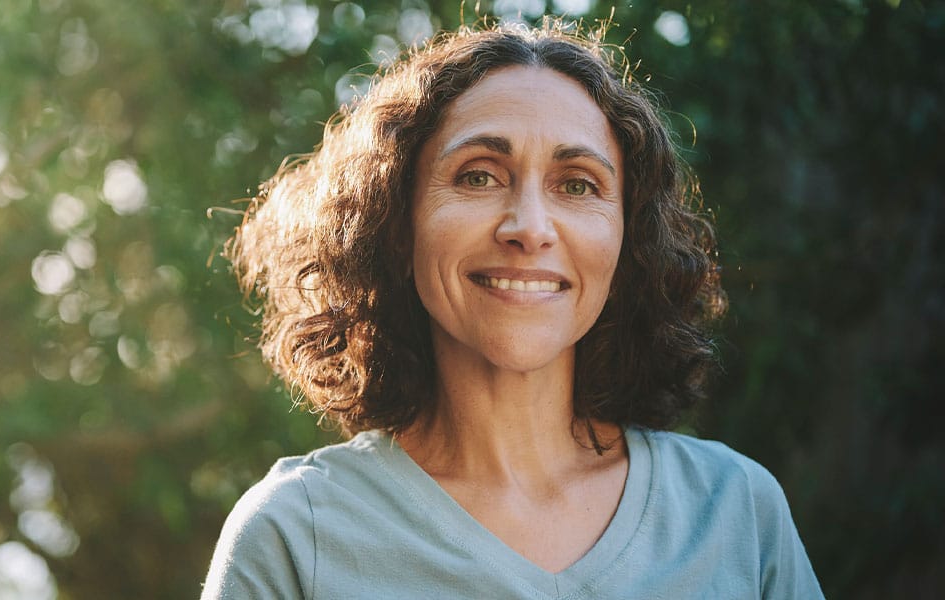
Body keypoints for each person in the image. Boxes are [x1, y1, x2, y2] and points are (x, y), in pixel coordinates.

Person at [203, 21, 823, 599]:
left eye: (577, 184)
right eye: (479, 176)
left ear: (627, 241)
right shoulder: (294, 536)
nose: (529, 228)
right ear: (395, 224)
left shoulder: (736, 510)